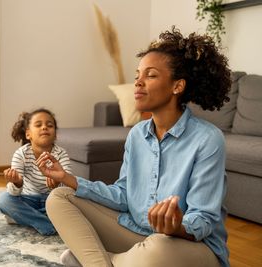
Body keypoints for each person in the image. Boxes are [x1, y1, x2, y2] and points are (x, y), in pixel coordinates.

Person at [36, 27, 231, 266]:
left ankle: (94, 260)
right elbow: (123, 195)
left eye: (150, 75)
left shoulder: (207, 139)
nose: (137, 82)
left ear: (177, 86)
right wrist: (67, 178)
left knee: (156, 250)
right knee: (59, 198)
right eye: (138, 74)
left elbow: (204, 219)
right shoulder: (137, 135)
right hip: (136, 235)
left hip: (187, 247)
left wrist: (176, 227)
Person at [0, 108, 72, 236]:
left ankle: (23, 217)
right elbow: (12, 193)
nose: (44, 127)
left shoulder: (61, 154)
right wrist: (18, 183)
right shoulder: (21, 154)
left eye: (49, 125)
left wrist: (57, 184)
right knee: (4, 200)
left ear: (55, 134)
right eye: (38, 125)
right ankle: (48, 225)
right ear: (28, 134)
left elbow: (68, 186)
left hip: (52, 201)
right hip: (28, 199)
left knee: (73, 202)